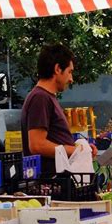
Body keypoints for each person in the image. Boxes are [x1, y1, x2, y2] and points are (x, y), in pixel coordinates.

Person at [21, 44, 97, 174]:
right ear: (57, 69)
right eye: (69, 72)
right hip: (50, 182)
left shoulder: (47, 97)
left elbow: (54, 140)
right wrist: (75, 151)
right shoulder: (40, 98)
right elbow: (37, 145)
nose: (71, 79)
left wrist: (79, 148)